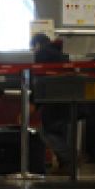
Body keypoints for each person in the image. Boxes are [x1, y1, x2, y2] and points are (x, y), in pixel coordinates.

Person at [29, 33, 74, 171]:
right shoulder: (58, 53)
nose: (33, 51)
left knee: (46, 132)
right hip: (68, 97)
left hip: (53, 98)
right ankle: (64, 167)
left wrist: (33, 104)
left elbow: (40, 81)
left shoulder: (43, 53)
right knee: (59, 132)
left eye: (33, 48)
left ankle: (71, 158)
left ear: (37, 44)